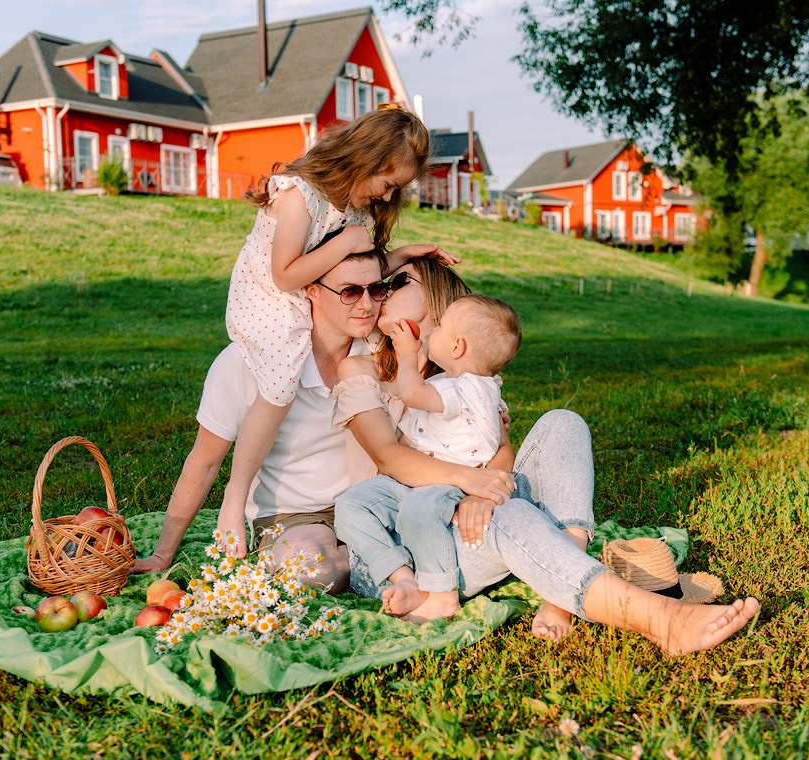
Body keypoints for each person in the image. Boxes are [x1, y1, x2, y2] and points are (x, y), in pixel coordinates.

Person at [332, 255, 760, 650]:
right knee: (515, 516)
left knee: (563, 421)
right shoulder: (361, 369)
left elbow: (502, 452)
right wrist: (472, 484)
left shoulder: (464, 379)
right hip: (402, 550)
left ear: (438, 303)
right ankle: (659, 618)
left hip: (465, 514)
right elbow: (389, 457)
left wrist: (482, 495)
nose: (381, 290)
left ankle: (561, 586)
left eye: (397, 281)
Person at [132, 248, 506, 591]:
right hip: (295, 516)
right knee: (315, 570)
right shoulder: (251, 362)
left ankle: (412, 566)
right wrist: (164, 553)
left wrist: (478, 492)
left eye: (378, 289)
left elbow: (495, 439)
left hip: (381, 505)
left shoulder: (389, 351)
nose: (369, 302)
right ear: (310, 290)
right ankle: (407, 570)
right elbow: (204, 461)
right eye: (349, 293)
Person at [215, 104, 433, 552]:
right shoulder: (301, 195)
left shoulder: (355, 212)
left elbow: (357, 274)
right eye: (388, 184)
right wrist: (349, 245)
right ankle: (233, 499)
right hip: (272, 301)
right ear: (365, 159)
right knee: (278, 387)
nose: (389, 198)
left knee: (381, 348)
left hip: (314, 297)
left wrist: (406, 253)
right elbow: (285, 274)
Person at [334, 293, 522, 622]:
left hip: (441, 485)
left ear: (457, 346)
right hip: (405, 485)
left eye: (441, 327)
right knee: (351, 504)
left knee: (419, 511)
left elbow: (412, 393)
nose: (385, 294)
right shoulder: (452, 383)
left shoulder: (465, 388)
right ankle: (405, 580)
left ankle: (442, 594)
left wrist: (408, 353)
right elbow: (401, 445)